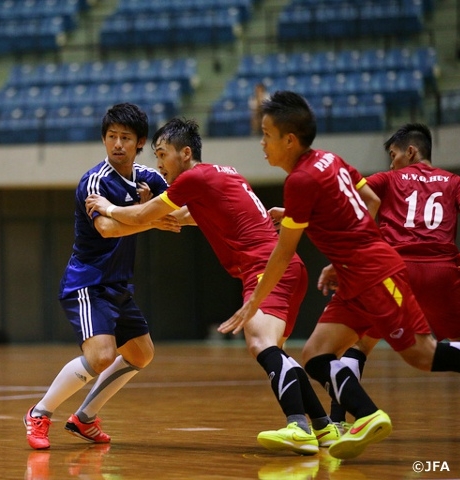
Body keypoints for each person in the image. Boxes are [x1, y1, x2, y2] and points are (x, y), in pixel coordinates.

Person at [218, 90, 460, 460]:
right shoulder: (331, 159)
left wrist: (253, 302)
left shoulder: (299, 182)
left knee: (421, 356)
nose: (262, 142)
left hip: (375, 273)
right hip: (355, 275)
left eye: (266, 134)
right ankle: (366, 415)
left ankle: (363, 414)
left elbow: (282, 255)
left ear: (290, 139)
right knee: (315, 354)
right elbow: (372, 203)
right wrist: (342, 254)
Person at [86, 117, 340, 456]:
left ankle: (298, 427)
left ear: (185, 153)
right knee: (275, 351)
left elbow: (147, 216)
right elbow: (189, 216)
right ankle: (323, 426)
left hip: (266, 268)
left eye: (162, 154)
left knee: (260, 343)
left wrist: (110, 207)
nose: (158, 163)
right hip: (283, 268)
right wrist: (144, 211)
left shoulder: (192, 177)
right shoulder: (222, 173)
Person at [23, 103, 181, 450]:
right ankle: (39, 412)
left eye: (126, 137)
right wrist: (150, 217)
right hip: (88, 282)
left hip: (118, 285)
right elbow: (108, 228)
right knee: (101, 356)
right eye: (111, 137)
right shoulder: (94, 181)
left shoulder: (148, 178)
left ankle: (85, 418)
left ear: (140, 142)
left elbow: (183, 209)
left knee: (141, 353)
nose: (118, 144)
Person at [329, 123, 460, 426]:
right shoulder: (453, 182)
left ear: (411, 151)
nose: (391, 162)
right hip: (443, 272)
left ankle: (337, 421)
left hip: (395, 273)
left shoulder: (389, 179)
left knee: (361, 344)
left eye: (393, 154)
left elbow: (347, 199)